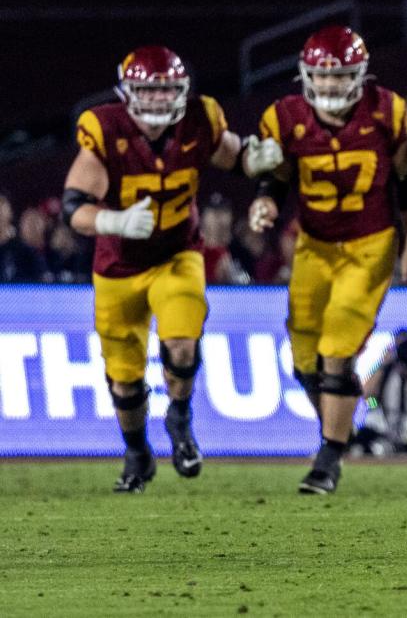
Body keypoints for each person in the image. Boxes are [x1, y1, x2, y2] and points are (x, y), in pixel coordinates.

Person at [61, 45, 276, 492]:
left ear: (181, 91)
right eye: (147, 91)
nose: (158, 101)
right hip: (117, 266)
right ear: (127, 92)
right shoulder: (106, 129)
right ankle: (138, 453)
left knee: (181, 341)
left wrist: (258, 161)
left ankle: (179, 418)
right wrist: (113, 220)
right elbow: (72, 207)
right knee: (125, 377)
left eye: (166, 91)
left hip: (178, 253)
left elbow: (236, 156)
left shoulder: (200, 119)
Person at [246, 25, 407, 494]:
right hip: (314, 246)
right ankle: (340, 429)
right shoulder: (284, 116)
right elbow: (277, 174)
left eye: (340, 76)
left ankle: (329, 457)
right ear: (306, 76)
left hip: (369, 244)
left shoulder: (388, 110)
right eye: (322, 78)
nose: (329, 86)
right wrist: (265, 199)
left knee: (337, 353)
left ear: (359, 75)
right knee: (305, 359)